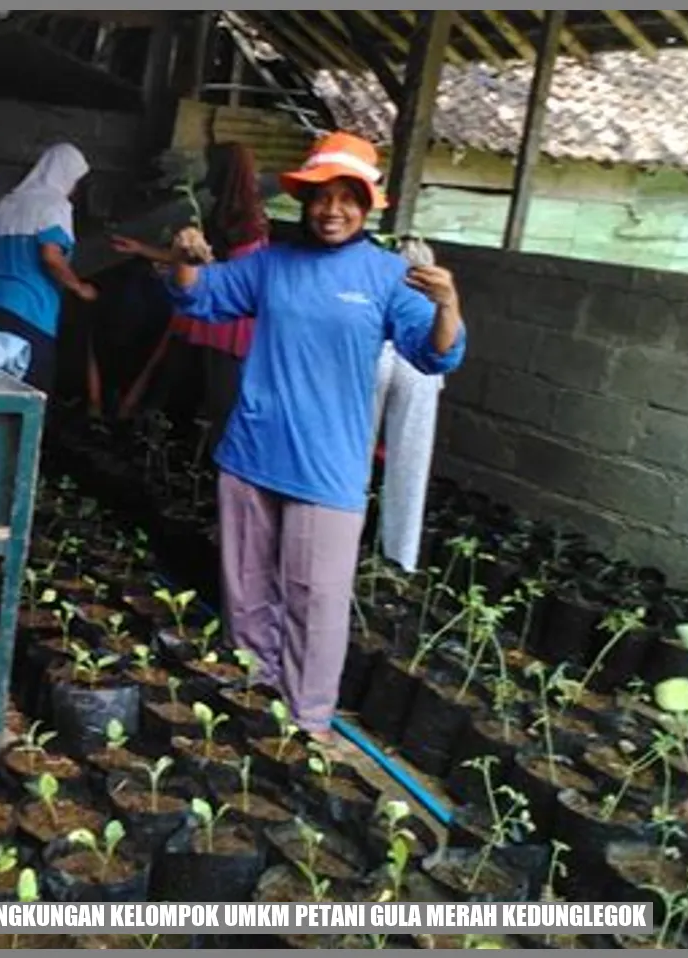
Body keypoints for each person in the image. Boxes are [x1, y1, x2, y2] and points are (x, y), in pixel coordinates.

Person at [159, 131, 467, 744]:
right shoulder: (272, 263)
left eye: (347, 198)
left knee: (316, 601)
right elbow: (198, 298)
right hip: (252, 452)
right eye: (322, 196)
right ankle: (253, 701)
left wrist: (448, 306)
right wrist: (185, 257)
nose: (332, 210)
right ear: (304, 200)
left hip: (328, 466)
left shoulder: (388, 276)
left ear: (367, 205)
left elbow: (436, 356)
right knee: (246, 592)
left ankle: (307, 725)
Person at [113, 143, 270, 445]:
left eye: (211, 167)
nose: (206, 174)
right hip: (208, 316)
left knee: (212, 398)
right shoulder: (225, 212)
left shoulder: (247, 222)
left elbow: (222, 271)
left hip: (223, 322)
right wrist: (143, 249)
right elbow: (194, 261)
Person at [0, 143, 98, 394]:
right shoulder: (55, 204)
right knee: (27, 394)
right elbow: (51, 256)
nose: (74, 188)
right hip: (29, 311)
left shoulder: (8, 202)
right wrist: (79, 287)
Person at [370, 237, 446, 573]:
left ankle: (339, 536)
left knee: (351, 452)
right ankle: (401, 556)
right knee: (411, 458)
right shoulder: (431, 295)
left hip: (378, 350)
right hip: (418, 358)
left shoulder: (374, 273)